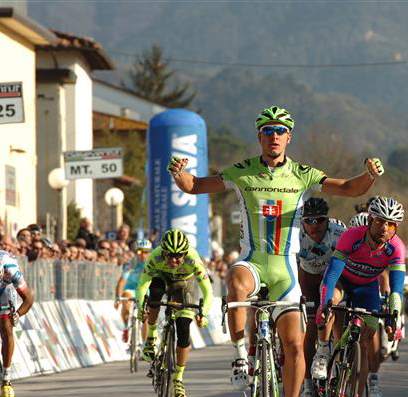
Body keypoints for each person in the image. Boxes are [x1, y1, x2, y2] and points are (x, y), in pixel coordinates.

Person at [168, 105, 384, 396]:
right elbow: (195, 186)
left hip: (285, 270)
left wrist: (368, 176)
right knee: (235, 280)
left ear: (288, 137)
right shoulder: (242, 172)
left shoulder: (302, 174)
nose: (274, 136)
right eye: (267, 131)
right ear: (259, 136)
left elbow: (348, 188)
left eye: (280, 131)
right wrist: (180, 175)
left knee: (295, 345)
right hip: (252, 262)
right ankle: (241, 358)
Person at [313, 196, 406, 397]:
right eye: (380, 221)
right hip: (342, 282)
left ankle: (356, 392)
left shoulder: (397, 248)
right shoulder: (352, 236)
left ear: (396, 227)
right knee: (331, 302)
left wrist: (394, 318)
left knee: (364, 343)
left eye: (391, 224)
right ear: (371, 220)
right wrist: (324, 305)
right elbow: (332, 274)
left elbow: (397, 290)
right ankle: (322, 352)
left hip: (367, 288)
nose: (385, 228)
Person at [136, 229, 213, 397]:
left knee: (184, 329)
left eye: (178, 256)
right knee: (154, 293)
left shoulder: (193, 260)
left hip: (184, 284)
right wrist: (141, 308)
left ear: (185, 254)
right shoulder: (155, 257)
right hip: (162, 278)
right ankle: (152, 337)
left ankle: (178, 378)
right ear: (162, 252)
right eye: (169, 255)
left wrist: (204, 313)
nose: (173, 260)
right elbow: (142, 285)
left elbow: (207, 291)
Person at [296, 197, 345, 397]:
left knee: (333, 312)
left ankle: (330, 361)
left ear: (328, 220)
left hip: (335, 277)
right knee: (309, 331)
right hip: (307, 278)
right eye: (309, 221)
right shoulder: (295, 235)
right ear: (302, 222)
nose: (315, 226)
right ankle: (308, 384)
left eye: (320, 220)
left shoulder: (339, 233)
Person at [0, 250, 34, 397]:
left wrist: (17, 314)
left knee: (6, 327)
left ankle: (6, 377)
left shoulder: (11, 270)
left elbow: (28, 299)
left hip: (5, 288)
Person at [114, 239, 152, 342]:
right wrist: (118, 298)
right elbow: (122, 281)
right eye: (140, 251)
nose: (143, 255)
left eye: (146, 252)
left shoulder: (152, 263)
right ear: (136, 252)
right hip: (132, 289)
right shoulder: (132, 263)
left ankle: (145, 344)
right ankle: (126, 327)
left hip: (146, 290)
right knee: (125, 298)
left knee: (146, 318)